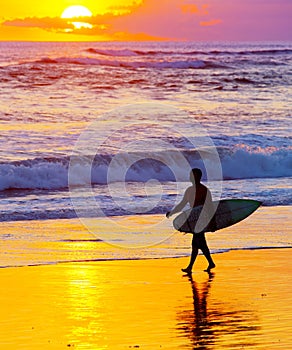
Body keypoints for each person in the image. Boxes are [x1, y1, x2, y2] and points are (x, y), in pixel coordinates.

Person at [166, 168, 216, 273]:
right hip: (194, 219)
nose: (190, 177)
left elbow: (210, 207)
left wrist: (212, 222)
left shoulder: (204, 190)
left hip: (202, 219)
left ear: (197, 177)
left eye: (191, 175)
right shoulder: (189, 191)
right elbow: (182, 204)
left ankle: (191, 267)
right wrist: (172, 212)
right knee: (200, 243)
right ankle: (210, 263)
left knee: (197, 242)